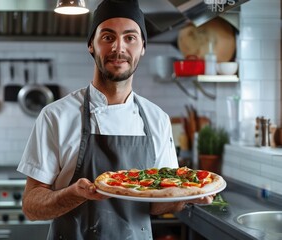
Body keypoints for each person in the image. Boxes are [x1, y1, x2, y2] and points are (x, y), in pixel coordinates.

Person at [17, 0, 213, 239]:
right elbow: (31, 206)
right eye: (108, 37)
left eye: (130, 38)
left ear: (142, 47)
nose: (118, 48)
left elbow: (158, 203)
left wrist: (186, 198)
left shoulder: (157, 119)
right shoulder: (57, 115)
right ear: (91, 45)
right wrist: (74, 194)